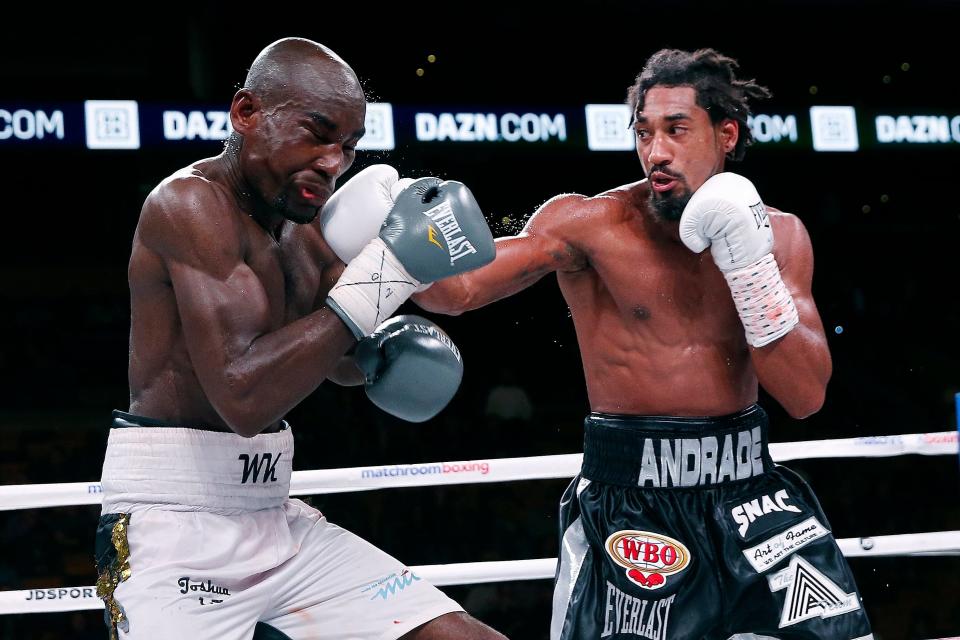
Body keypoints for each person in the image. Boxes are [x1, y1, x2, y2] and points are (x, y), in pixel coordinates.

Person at [415, 48, 873, 639]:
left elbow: (806, 395)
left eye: (677, 130)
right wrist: (396, 236)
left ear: (725, 134)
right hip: (631, 503)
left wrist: (750, 270)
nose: (657, 152)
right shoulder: (588, 225)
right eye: (644, 132)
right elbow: (457, 292)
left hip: (751, 494)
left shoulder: (780, 234)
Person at [94, 37, 504, 640]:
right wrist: (383, 278)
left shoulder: (305, 223)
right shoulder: (188, 205)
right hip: (173, 529)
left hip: (274, 516)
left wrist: (376, 350)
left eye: (349, 146)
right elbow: (244, 399)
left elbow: (328, 347)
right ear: (246, 114)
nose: (335, 161)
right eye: (317, 133)